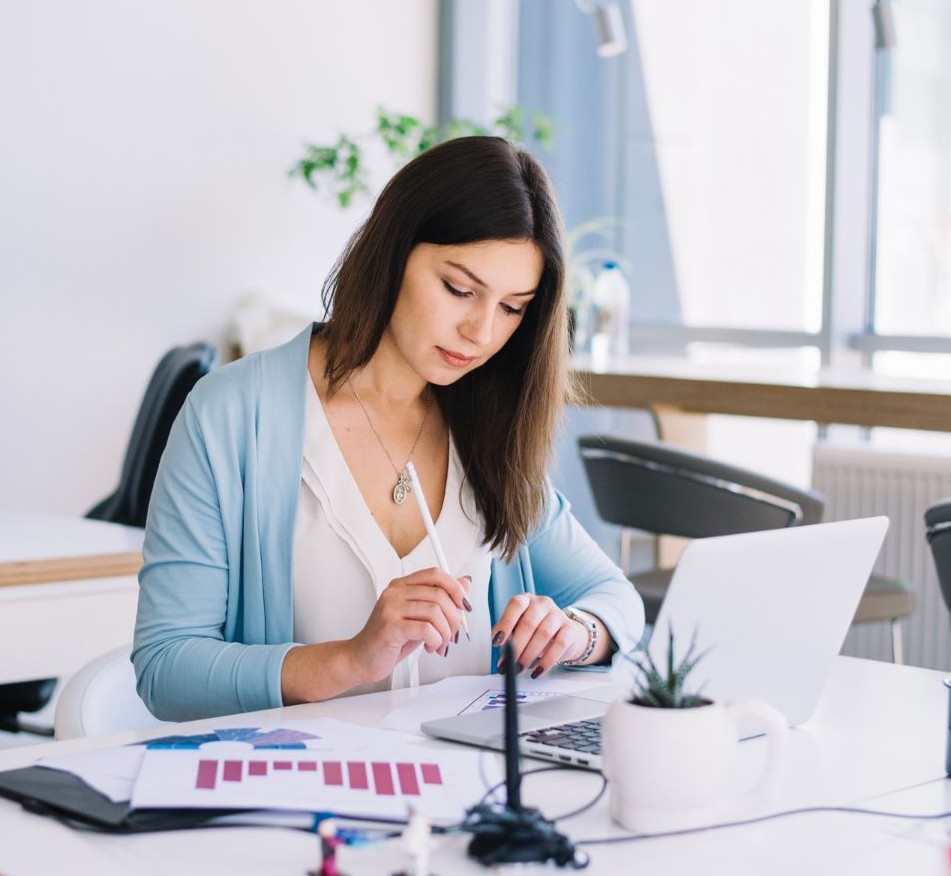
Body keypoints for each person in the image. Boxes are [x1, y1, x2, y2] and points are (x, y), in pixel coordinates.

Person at [133, 135, 643, 721]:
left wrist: (576, 632)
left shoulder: (490, 426)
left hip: (470, 791)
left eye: (512, 307)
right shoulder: (229, 415)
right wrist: (351, 659)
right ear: (392, 252)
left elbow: (617, 601)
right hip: (299, 793)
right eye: (459, 289)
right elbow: (167, 666)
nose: (481, 331)